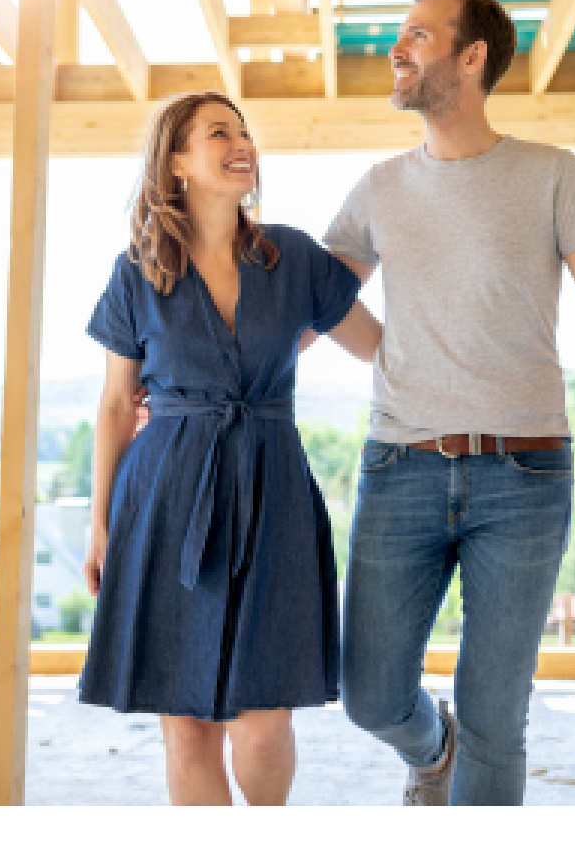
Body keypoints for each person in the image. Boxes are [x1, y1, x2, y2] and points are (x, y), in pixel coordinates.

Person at [315, 0, 575, 805]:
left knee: (497, 716)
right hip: (398, 466)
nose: (396, 50)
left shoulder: (553, 175)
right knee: (367, 693)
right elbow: (312, 308)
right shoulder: (378, 187)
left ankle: (463, 746)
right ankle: (431, 750)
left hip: (527, 478)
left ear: (471, 58)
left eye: (418, 36)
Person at [77, 91, 383, 806]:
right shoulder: (136, 271)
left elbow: (379, 347)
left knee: (262, 721)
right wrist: (99, 524)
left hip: (273, 489)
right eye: (219, 132)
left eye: (244, 132)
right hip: (161, 497)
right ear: (176, 161)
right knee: (184, 725)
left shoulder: (293, 255)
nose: (242, 142)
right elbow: (117, 404)